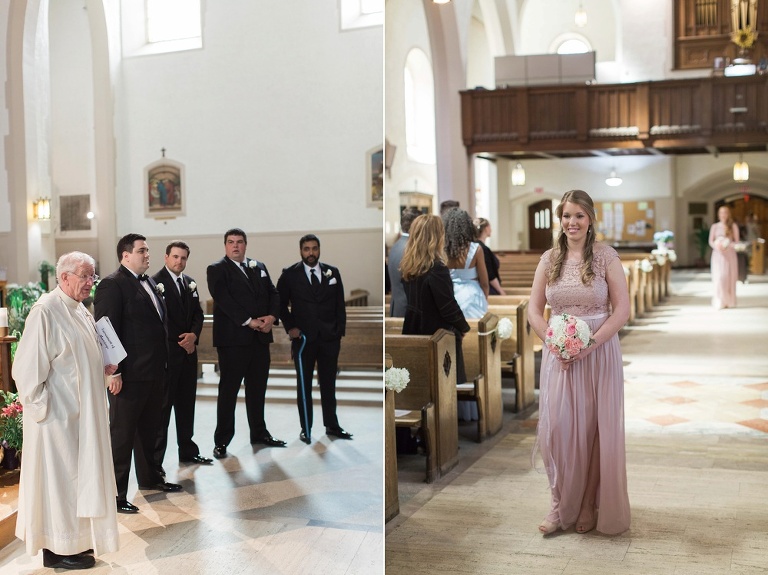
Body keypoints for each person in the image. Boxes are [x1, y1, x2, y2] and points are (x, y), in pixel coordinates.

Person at [528, 189, 631, 536]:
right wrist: (552, 341)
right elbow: (534, 310)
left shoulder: (606, 257)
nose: (572, 222)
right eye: (566, 216)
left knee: (595, 429)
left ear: (590, 219)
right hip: (559, 356)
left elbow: (622, 310)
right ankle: (558, 504)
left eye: (579, 215)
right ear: (560, 220)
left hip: (598, 353)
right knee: (557, 431)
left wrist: (588, 345)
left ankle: (588, 502)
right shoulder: (549, 259)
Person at [13, 252, 119, 570]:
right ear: (64, 277)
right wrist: (44, 412)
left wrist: (102, 366)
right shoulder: (46, 311)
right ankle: (56, 549)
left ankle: (74, 543)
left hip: (83, 417)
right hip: (57, 419)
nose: (90, 283)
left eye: (92, 276)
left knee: (79, 481)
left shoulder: (81, 309)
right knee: (61, 484)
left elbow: (78, 359)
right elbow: (27, 370)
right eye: (85, 276)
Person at [94, 234, 182, 516]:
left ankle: (150, 478)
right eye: (142, 251)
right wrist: (114, 371)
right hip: (128, 375)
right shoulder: (112, 284)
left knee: (149, 431)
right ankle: (116, 494)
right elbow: (106, 329)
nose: (147, 255)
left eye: (147, 250)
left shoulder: (151, 283)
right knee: (122, 436)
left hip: (154, 372)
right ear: (125, 255)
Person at [206, 228, 285, 459]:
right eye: (231, 242)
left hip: (259, 340)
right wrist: (250, 321)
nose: (235, 246)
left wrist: (271, 317)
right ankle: (222, 440)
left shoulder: (258, 266)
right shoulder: (217, 269)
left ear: (245, 245)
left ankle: (259, 433)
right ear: (225, 246)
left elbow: (274, 293)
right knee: (228, 391)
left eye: (239, 242)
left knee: (258, 389)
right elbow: (224, 300)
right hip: (233, 341)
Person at [276, 234, 352, 444]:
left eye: (314, 248)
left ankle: (332, 425)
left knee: (329, 384)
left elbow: (339, 305)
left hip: (329, 338)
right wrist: (291, 327)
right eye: (307, 249)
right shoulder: (290, 275)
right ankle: (306, 428)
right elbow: (279, 304)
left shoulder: (332, 272)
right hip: (304, 339)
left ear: (319, 250)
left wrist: (338, 332)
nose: (311, 253)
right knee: (304, 385)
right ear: (301, 251)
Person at [152, 241, 212, 471]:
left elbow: (198, 314)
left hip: (188, 356)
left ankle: (188, 451)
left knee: (187, 407)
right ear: (166, 257)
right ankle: (156, 463)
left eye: (183, 258)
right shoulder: (155, 283)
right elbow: (158, 319)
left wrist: (194, 335)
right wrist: (182, 340)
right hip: (168, 356)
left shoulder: (190, 283)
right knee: (162, 411)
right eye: (175, 257)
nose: (179, 261)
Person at [400, 214, 470, 386]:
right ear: (436, 237)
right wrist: (463, 327)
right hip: (437, 334)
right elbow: (447, 306)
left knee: (422, 383)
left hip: (413, 327)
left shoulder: (409, 267)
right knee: (444, 387)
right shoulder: (437, 268)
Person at [443, 207, 489, 319]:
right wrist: (484, 298)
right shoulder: (475, 249)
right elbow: (484, 282)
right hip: (472, 296)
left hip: (449, 295)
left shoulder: (443, 250)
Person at [388, 207, 422, 317]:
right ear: (417, 225)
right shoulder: (413, 249)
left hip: (397, 308)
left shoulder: (395, 246)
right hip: (410, 311)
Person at [708, 205, 740, 309]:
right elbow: (711, 241)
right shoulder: (714, 226)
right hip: (718, 256)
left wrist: (727, 245)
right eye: (721, 213)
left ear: (728, 214)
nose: (723, 215)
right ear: (718, 215)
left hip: (729, 255)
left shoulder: (733, 226)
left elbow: (736, 242)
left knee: (729, 278)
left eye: (725, 212)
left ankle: (729, 301)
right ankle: (720, 300)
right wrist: (717, 246)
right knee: (719, 278)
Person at [474, 217, 506, 296]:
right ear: (486, 228)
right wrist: (500, 290)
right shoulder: (482, 249)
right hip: (488, 289)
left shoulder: (474, 246)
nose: (491, 230)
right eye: (490, 227)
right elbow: (490, 274)